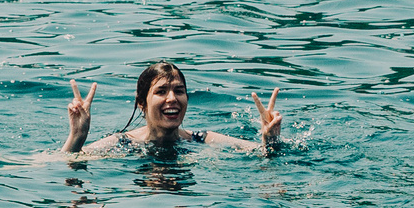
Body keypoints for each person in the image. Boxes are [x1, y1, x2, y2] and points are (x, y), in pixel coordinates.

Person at [64, 60, 282, 157]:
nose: (172, 98)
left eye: (179, 91)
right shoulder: (121, 143)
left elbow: (260, 154)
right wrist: (77, 136)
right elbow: (54, 163)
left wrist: (270, 139)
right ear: (142, 102)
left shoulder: (203, 140)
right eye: (161, 92)